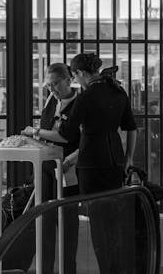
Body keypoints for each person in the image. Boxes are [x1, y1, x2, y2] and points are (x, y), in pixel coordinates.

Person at [31, 53, 137, 273]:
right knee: (113, 225)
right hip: (115, 162)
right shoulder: (118, 91)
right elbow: (131, 127)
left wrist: (35, 132)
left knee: (96, 226)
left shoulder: (86, 98)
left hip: (90, 164)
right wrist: (128, 158)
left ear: (78, 74)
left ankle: (104, 267)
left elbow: (66, 135)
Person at [21, 63, 80, 274]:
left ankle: (67, 269)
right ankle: (44, 270)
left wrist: (35, 132)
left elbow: (67, 136)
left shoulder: (80, 103)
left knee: (68, 225)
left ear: (69, 79)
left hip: (67, 170)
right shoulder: (51, 100)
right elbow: (47, 130)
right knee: (44, 223)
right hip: (46, 168)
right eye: (49, 85)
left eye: (56, 84)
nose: (53, 89)